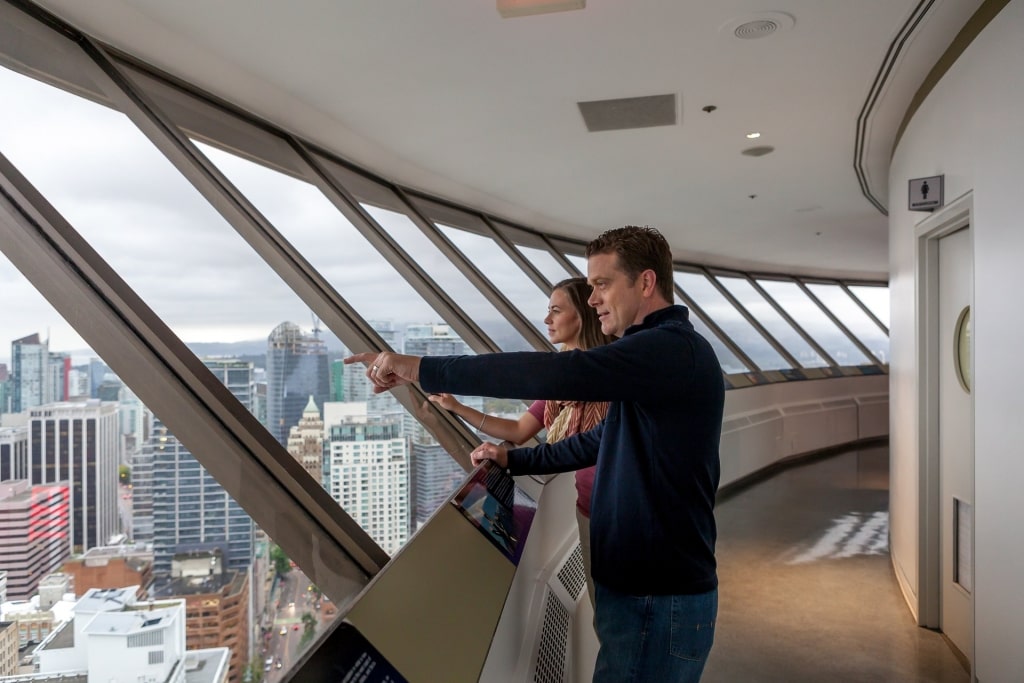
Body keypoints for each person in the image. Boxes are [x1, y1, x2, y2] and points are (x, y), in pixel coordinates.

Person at [345, 226, 724, 683]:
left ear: (645, 283)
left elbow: (546, 373)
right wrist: (516, 460)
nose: (594, 298)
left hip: (657, 596)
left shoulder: (669, 351)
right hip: (644, 588)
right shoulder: (658, 358)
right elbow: (600, 440)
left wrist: (418, 367)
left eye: (602, 284)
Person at [428, 276, 613, 607]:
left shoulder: (608, 377)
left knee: (621, 610)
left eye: (556, 310)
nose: (547, 320)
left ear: (583, 316)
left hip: (620, 512)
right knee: (605, 608)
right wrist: (457, 408)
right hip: (587, 507)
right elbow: (518, 430)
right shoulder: (559, 383)